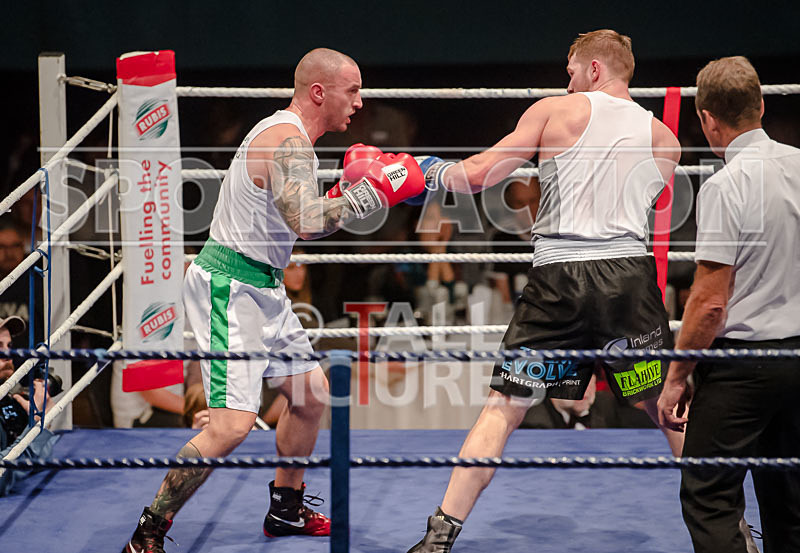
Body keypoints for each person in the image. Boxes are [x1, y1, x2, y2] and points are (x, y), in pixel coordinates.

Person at [122, 48, 425, 553]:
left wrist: (350, 191)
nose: (360, 101)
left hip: (263, 284)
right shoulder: (285, 141)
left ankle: (285, 510)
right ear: (319, 92)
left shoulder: (293, 139)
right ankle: (147, 531)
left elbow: (298, 214)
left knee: (311, 396)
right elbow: (308, 222)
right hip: (230, 285)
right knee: (230, 427)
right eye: (352, 90)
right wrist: (377, 192)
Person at [404, 29, 684, 552]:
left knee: (503, 407)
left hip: (559, 282)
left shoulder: (557, 110)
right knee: (663, 404)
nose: (569, 79)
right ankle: (730, 530)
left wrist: (422, 171)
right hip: (629, 282)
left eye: (573, 70)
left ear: (595, 69)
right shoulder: (665, 138)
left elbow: (478, 175)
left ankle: (437, 540)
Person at [658, 56, 800, 553]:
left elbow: (710, 304)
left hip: (745, 367)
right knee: (791, 501)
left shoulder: (725, 186)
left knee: (709, 494)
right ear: (761, 105)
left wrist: (676, 377)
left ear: (707, 119)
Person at [0, 315, 59, 496]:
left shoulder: (9, 397)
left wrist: (39, 422)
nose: (8, 355)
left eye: (9, 346)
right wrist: (36, 420)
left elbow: (42, 455)